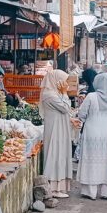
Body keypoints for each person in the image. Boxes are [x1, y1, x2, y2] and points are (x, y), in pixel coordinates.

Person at [76, 73, 107, 200]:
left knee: (91, 161)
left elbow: (81, 115)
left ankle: (90, 191)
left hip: (92, 134)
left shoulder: (91, 96)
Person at [39, 70, 74, 198]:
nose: (65, 83)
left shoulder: (54, 93)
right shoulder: (49, 95)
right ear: (56, 80)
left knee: (60, 154)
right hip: (55, 130)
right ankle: (53, 188)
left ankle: (60, 187)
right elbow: (65, 108)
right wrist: (65, 93)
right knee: (55, 153)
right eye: (63, 80)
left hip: (59, 127)